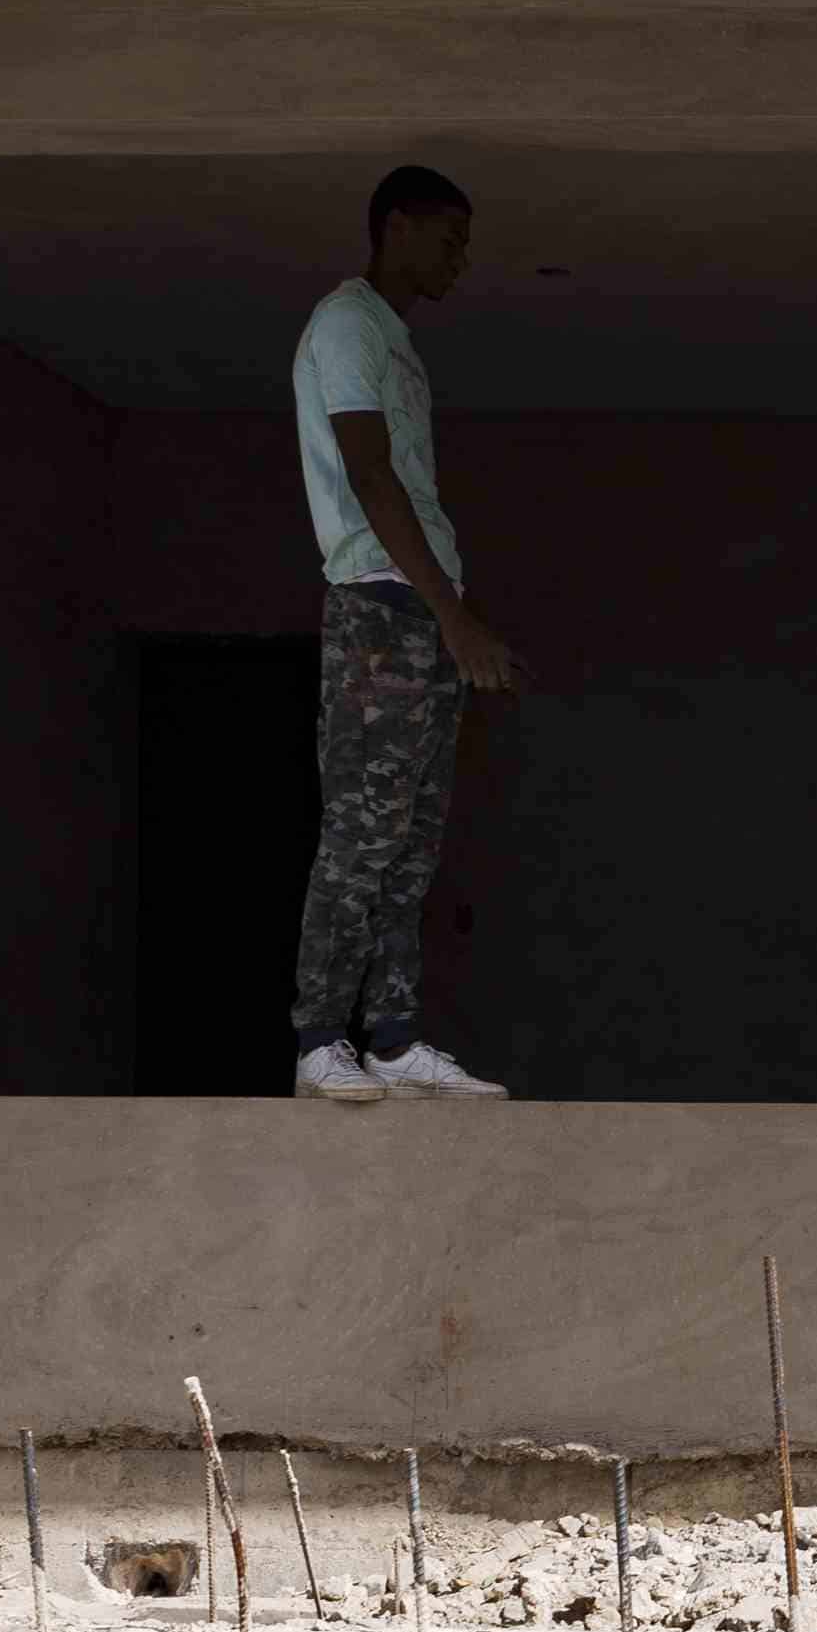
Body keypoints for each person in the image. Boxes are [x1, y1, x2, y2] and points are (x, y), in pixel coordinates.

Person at [287, 163, 524, 1104]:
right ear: (395, 227)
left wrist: (449, 615)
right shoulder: (347, 323)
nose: (462, 258)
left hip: (416, 607)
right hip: (382, 606)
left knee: (411, 841)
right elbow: (371, 476)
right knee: (360, 834)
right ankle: (317, 1041)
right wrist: (453, 615)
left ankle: (389, 1038)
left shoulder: (394, 337)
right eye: (450, 237)